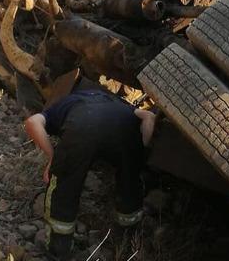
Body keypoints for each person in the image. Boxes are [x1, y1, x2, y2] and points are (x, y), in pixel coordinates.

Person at [24, 82, 156, 260]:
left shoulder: (69, 101)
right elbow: (149, 117)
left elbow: (32, 122)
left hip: (82, 126)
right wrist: (140, 153)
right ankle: (127, 241)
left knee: (64, 186)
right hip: (124, 128)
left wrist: (53, 158)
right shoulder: (120, 104)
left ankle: (58, 249)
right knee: (129, 182)